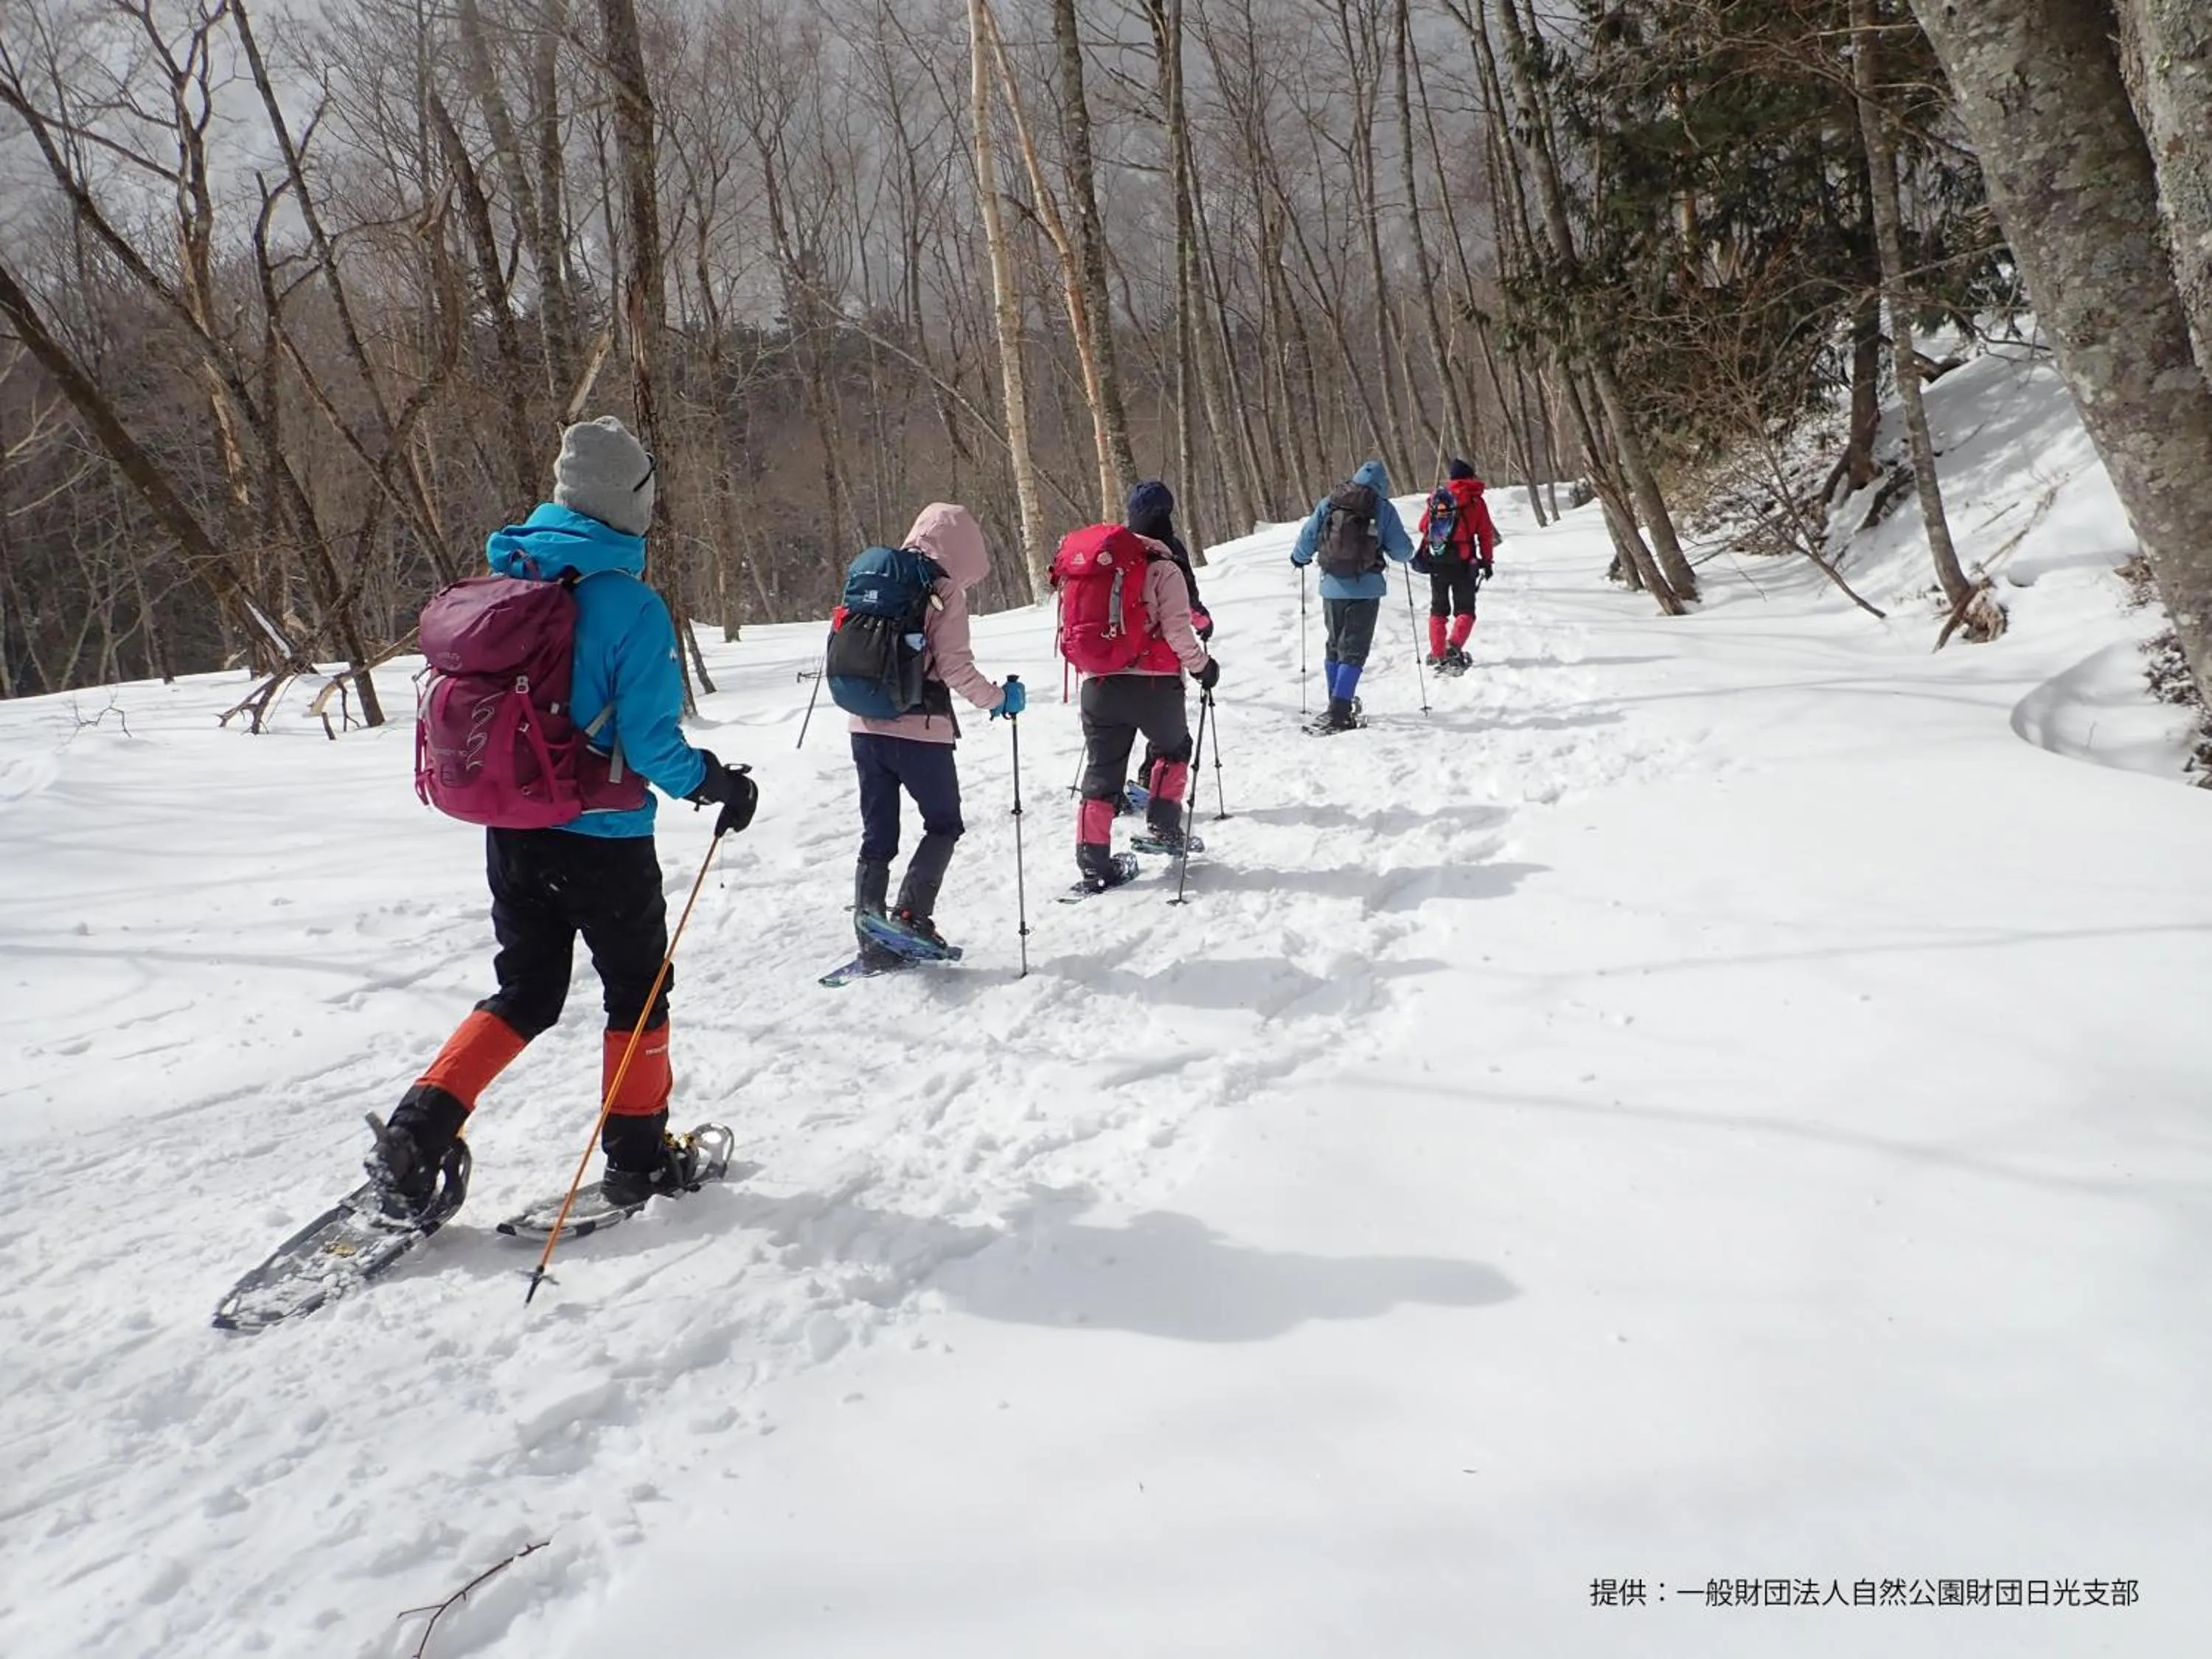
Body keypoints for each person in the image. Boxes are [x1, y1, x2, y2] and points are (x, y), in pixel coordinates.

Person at [369, 417, 758, 1218]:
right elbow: (650, 742)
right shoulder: (628, 605)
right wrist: (714, 784)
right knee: (638, 994)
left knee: (527, 990)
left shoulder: (510, 580)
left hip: (512, 831)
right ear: (630, 503)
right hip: (604, 844)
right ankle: (639, 1158)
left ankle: (419, 1130)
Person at [845, 502, 1024, 967]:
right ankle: (910, 915)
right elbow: (953, 667)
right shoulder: (941, 587)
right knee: (944, 823)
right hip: (920, 730)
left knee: (877, 834)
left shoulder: (874, 574)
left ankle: (870, 932)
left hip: (863, 727)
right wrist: (998, 699)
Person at [1072, 528, 1219, 890]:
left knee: (1102, 772)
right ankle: (1164, 826)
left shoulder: (1096, 571)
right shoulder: (1164, 569)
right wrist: (1203, 667)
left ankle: (1094, 862)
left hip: (1098, 685)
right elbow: (1177, 631)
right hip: (1154, 684)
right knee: (1173, 748)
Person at [1289, 459, 1413, 732]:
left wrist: (1298, 558)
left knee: (1335, 644)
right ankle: (1339, 711)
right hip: (1366, 589)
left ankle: (1337, 703)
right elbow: (1401, 551)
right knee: (1354, 650)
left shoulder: (1331, 502)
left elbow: (1309, 535)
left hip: (1331, 586)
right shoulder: (1382, 508)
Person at [1122, 479, 1211, 815]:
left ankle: (1110, 790)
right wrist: (1203, 623)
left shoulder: (1118, 544)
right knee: (1166, 730)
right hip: (1159, 657)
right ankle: (1151, 785)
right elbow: (1187, 598)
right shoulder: (1171, 547)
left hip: (1113, 653)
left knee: (1118, 724)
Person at [1415, 458, 1500, 670]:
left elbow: (1422, 526)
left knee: (1439, 609)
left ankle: (1437, 653)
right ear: (1469, 476)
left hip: (1438, 559)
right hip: (1464, 562)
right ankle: (1453, 646)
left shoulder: (1439, 498)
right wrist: (1487, 562)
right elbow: (1485, 534)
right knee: (1465, 609)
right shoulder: (1475, 501)